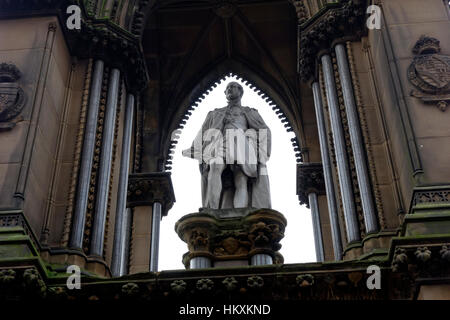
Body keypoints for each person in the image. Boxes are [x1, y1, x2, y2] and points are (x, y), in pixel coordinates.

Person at [182, 81, 272, 209]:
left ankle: (240, 212)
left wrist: (259, 150)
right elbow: (203, 131)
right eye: (227, 88)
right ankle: (210, 210)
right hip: (221, 144)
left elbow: (264, 130)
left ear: (240, 92)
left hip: (241, 143)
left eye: (233, 87)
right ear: (225, 93)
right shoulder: (215, 113)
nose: (230, 89)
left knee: (240, 179)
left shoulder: (249, 112)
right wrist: (195, 148)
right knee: (214, 165)